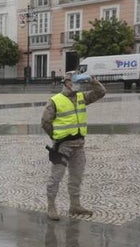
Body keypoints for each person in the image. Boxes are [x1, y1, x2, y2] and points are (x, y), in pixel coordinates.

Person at [41, 72, 107, 221]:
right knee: (56, 177)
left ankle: (75, 205)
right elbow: (45, 122)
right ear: (66, 82)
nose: (76, 83)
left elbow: (101, 92)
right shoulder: (55, 100)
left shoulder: (81, 97)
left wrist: (92, 80)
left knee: (76, 177)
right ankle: (51, 206)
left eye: (78, 80)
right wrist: (56, 136)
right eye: (73, 80)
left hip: (79, 145)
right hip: (62, 146)